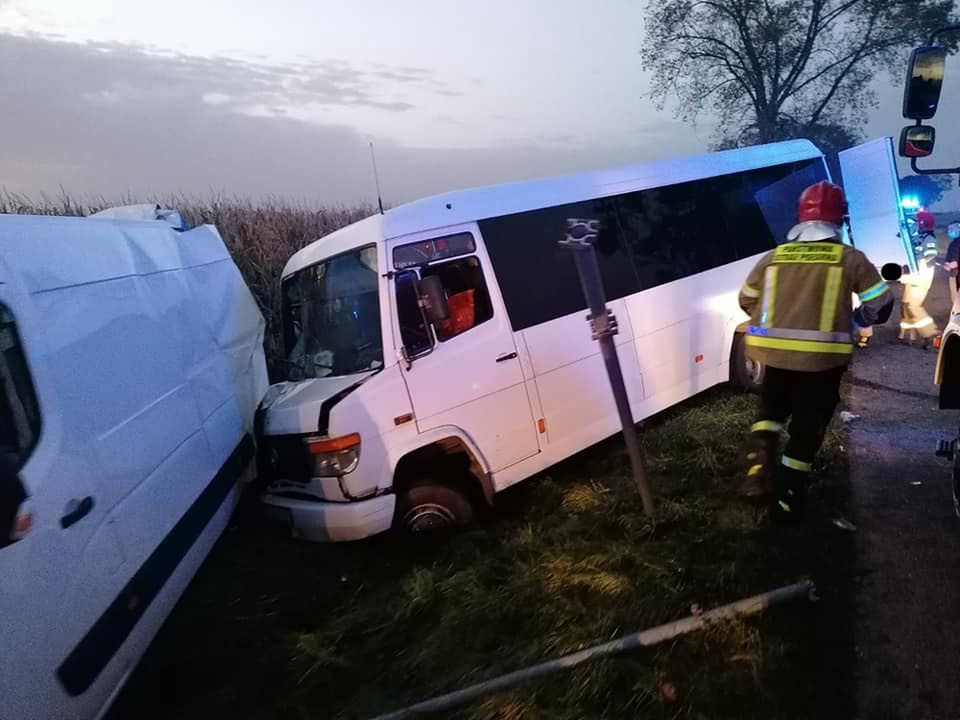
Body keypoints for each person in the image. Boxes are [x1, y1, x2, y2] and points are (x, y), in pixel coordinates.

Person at [738, 181, 894, 522]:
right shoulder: (849, 259)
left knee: (771, 407)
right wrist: (856, 319)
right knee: (808, 427)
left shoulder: (774, 257)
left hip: (773, 353)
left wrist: (773, 317)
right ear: (840, 219)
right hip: (822, 361)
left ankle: (759, 464)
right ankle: (788, 500)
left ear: (800, 217)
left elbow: (746, 299)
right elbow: (881, 305)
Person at [899, 211, 939, 346]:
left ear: (923, 223)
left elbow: (931, 255)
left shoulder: (929, 238)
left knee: (914, 305)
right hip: (915, 274)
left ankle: (930, 333)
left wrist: (917, 261)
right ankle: (910, 335)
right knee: (906, 304)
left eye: (918, 222)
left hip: (922, 275)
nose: (917, 224)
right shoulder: (921, 236)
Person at [944, 221, 960, 308]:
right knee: (955, 299)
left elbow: (955, 262)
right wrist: (947, 264)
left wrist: (956, 263)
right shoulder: (952, 244)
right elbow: (948, 258)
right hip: (953, 275)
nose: (949, 231)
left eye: (951, 229)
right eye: (948, 229)